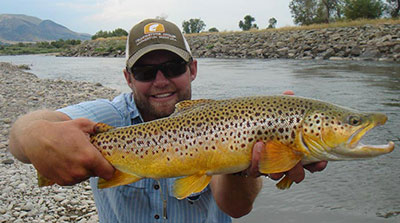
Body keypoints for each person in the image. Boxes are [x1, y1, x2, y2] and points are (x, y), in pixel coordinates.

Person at [9, 19, 327, 222]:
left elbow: (236, 210)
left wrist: (243, 161)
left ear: (193, 69)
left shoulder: (225, 123)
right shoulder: (108, 117)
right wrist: (36, 134)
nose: (161, 81)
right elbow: (20, 138)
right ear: (128, 78)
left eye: (173, 67)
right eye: (146, 72)